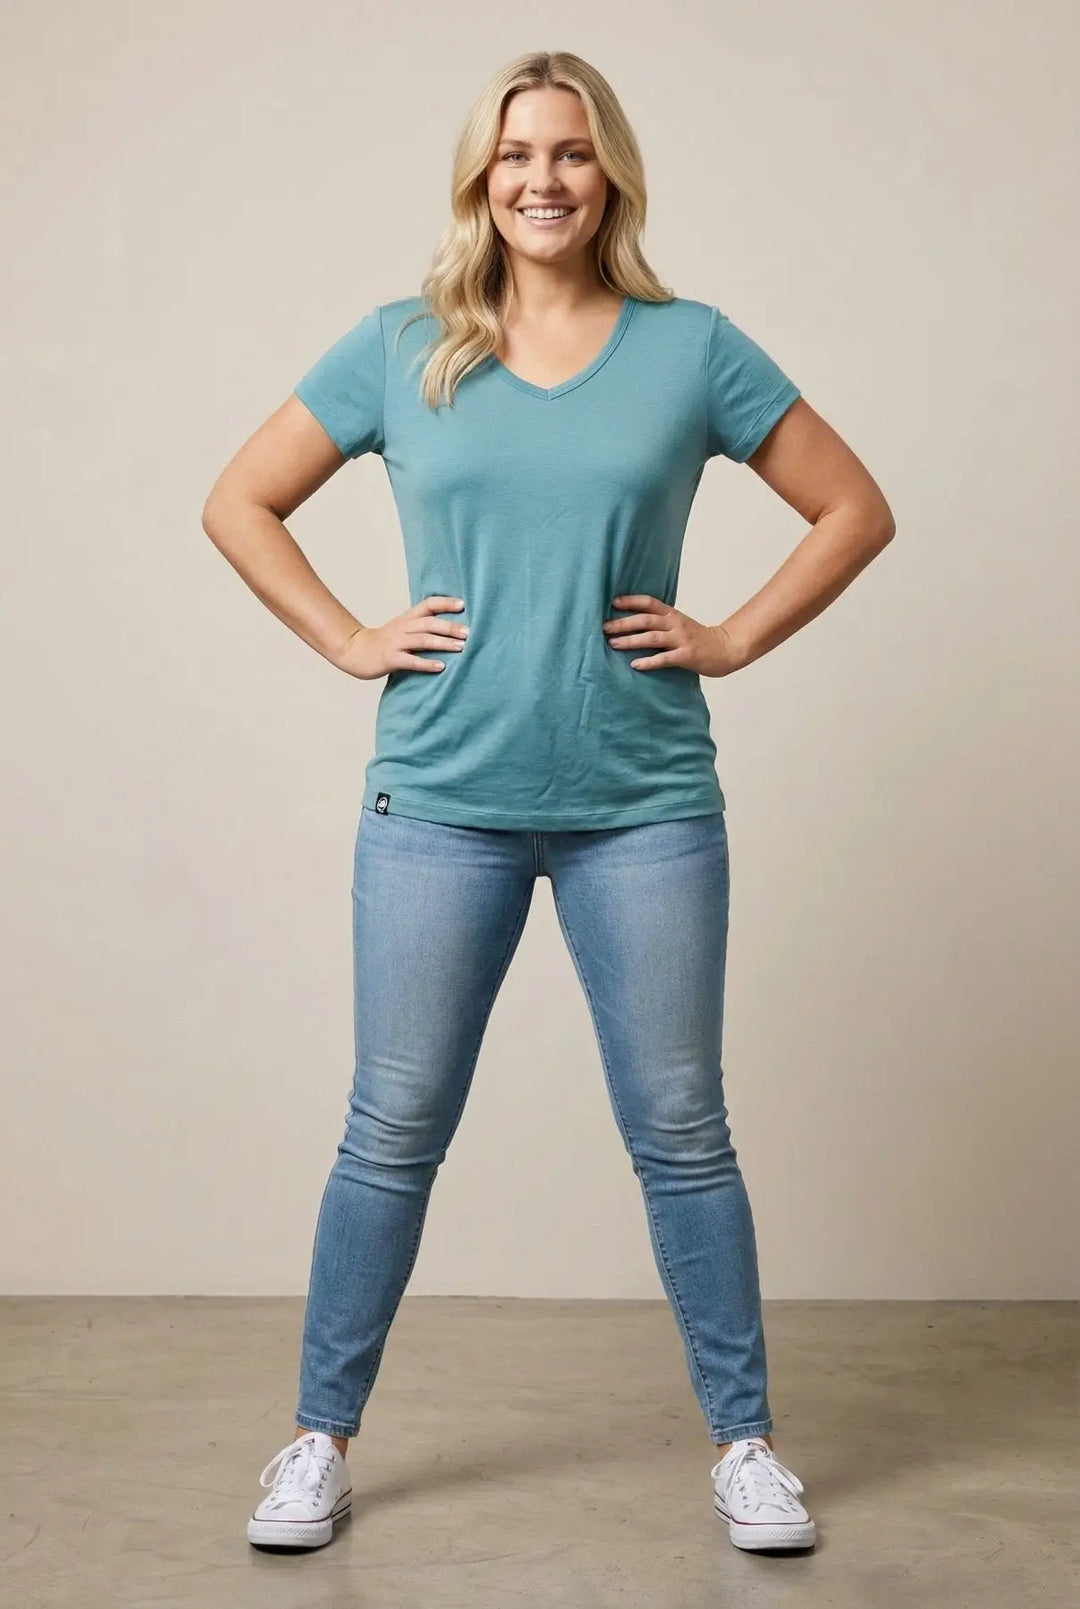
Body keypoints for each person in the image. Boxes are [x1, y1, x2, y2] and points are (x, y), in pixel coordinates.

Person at [201, 49, 894, 1558]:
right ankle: (317, 1439)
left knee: (682, 1129)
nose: (543, 179)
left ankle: (748, 1448)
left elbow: (855, 507)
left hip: (644, 800)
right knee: (392, 1125)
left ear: (610, 175)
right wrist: (347, 637)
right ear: (481, 177)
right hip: (440, 799)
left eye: (571, 153)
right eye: (516, 154)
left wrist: (731, 637)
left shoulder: (690, 347)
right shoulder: (407, 346)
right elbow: (237, 500)